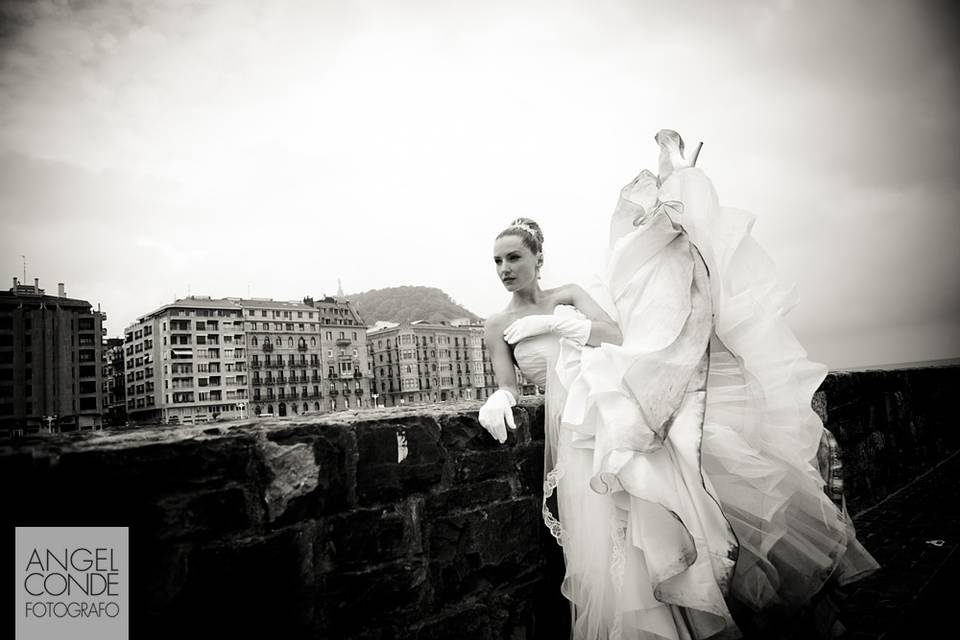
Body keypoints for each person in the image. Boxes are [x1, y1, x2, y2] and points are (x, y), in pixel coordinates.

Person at [479, 130, 879, 640]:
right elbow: (508, 383)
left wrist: (560, 324)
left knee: (665, 498)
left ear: (537, 257)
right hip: (576, 429)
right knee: (609, 537)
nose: (504, 269)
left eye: (513, 258)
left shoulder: (570, 294)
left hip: (610, 403)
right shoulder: (495, 324)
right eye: (496, 261)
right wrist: (499, 396)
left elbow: (617, 333)